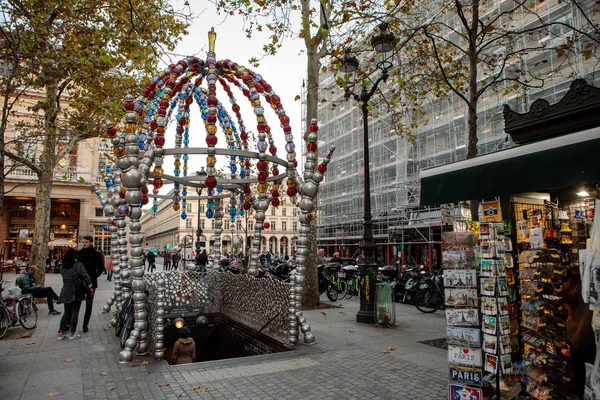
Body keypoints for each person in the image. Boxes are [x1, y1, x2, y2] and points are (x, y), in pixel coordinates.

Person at [58, 248, 92, 340]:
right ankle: (72, 333)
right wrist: (90, 286)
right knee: (74, 313)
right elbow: (86, 277)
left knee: (66, 313)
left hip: (66, 291)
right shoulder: (78, 265)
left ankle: (61, 332)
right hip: (76, 291)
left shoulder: (63, 267)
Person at [77, 235, 104, 333]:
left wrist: (93, 276)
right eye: (84, 242)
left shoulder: (96, 254)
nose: (85, 243)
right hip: (80, 282)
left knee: (89, 304)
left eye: (86, 242)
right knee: (77, 303)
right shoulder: (79, 253)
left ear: (91, 242)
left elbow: (101, 268)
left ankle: (85, 324)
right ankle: (72, 324)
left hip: (91, 282)